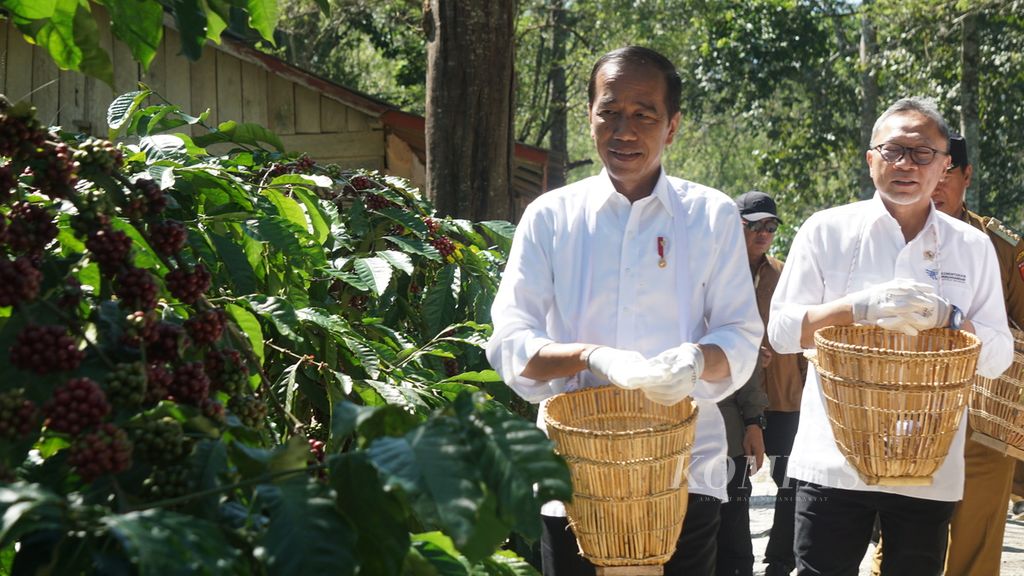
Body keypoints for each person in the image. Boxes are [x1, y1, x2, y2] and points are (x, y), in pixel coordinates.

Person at [486, 45, 762, 575]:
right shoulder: (550, 217)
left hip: (684, 471)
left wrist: (693, 361)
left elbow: (740, 336)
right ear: (589, 116)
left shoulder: (710, 214)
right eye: (609, 112)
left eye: (644, 114)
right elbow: (510, 342)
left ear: (673, 126)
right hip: (575, 478)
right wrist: (591, 357)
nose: (624, 130)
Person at [766, 97, 1014, 576]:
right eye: (893, 150)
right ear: (870, 158)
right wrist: (855, 308)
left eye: (922, 154)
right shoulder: (826, 230)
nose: (906, 164)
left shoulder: (973, 246)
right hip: (833, 455)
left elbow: (998, 356)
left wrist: (950, 316)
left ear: (945, 166)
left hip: (930, 463)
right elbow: (780, 333)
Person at [930, 133, 1024, 575]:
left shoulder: (1003, 245)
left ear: (966, 175)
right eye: (931, 169)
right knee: (906, 536)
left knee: (978, 540)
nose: (937, 183)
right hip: (912, 410)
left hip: (987, 415)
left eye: (947, 172)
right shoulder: (893, 235)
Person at [733, 191, 807, 576]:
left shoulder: (784, 275)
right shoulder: (719, 271)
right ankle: (738, 564)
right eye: (754, 225)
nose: (763, 233)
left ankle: (780, 562)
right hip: (731, 398)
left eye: (770, 226)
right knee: (734, 488)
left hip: (784, 397)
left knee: (791, 484)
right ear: (736, 225)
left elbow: (802, 331)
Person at [714, 338, 768, 576]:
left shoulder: (724, 307)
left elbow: (746, 363)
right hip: (670, 440)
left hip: (728, 438)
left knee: (733, 529)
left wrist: (754, 424)